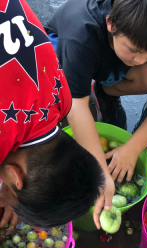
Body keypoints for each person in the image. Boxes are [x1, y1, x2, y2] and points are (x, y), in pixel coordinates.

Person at [44, 0, 147, 228]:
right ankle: (77, 90)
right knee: (60, 96)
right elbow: (76, 106)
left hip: (105, 55)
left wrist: (133, 147)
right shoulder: (82, 33)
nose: (140, 59)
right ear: (111, 23)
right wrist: (100, 173)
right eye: (135, 50)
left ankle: (105, 90)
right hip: (61, 51)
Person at [0, 0, 105, 230]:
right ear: (16, 176)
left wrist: (16, 194)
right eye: (8, 186)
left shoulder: (61, 98)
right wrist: (12, 195)